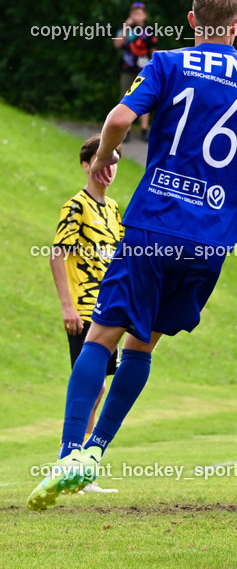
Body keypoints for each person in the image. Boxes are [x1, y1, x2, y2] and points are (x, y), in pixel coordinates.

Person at [28, 0, 237, 512]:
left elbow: (117, 119)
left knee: (103, 334)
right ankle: (97, 449)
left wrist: (109, 154)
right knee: (144, 345)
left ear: (190, 19)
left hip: (153, 225)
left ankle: (70, 453)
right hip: (208, 242)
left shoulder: (167, 63)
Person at [48, 135, 124, 494]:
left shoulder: (113, 209)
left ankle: (79, 467)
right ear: (86, 164)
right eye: (102, 161)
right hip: (83, 308)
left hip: (109, 309)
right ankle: (70, 461)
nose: (108, 169)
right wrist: (66, 305)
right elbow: (58, 253)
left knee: (101, 385)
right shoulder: (76, 206)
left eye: (114, 162)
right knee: (89, 387)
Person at [112, 2, 158, 141]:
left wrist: (153, 67)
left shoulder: (150, 31)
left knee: (145, 98)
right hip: (127, 69)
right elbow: (117, 44)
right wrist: (126, 26)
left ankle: (144, 129)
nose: (137, 16)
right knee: (126, 98)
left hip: (144, 70)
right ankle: (127, 130)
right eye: (134, 13)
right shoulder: (127, 30)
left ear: (145, 15)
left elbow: (153, 51)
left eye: (140, 13)